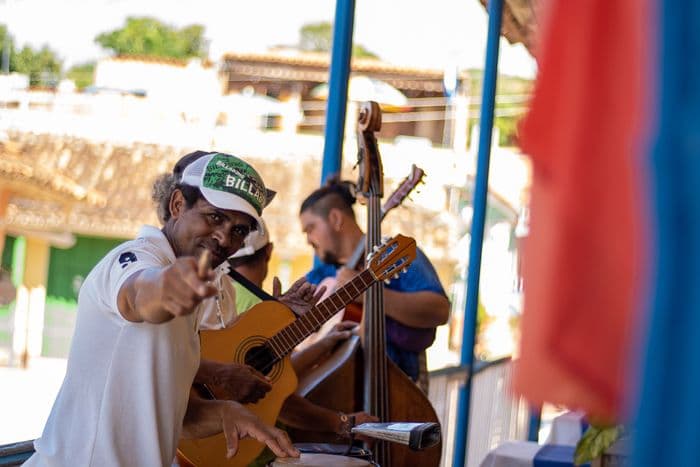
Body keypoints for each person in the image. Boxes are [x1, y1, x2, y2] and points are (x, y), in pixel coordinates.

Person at [25, 151, 299, 467]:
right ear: (177, 205)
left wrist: (230, 413)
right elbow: (139, 295)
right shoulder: (134, 259)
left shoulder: (191, 284)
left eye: (239, 230)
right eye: (214, 217)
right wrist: (169, 286)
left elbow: (168, 418)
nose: (225, 237)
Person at [299, 179, 450, 382]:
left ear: (335, 218)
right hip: (332, 390)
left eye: (311, 229)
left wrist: (366, 292)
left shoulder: (392, 254)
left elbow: (439, 310)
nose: (308, 240)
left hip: (393, 388)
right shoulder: (321, 274)